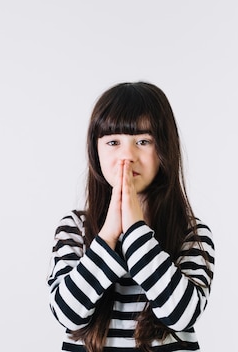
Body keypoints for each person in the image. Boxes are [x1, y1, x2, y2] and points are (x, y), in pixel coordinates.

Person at [47, 82, 215, 352]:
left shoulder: (191, 232)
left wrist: (135, 230)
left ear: (164, 149)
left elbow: (182, 315)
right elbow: (68, 314)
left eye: (143, 141)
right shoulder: (74, 227)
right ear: (95, 150)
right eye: (113, 142)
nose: (127, 155)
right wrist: (108, 234)